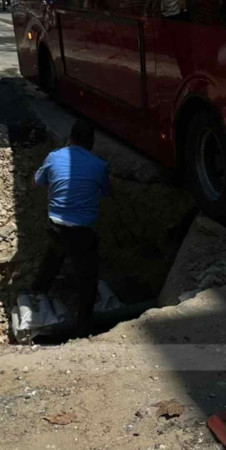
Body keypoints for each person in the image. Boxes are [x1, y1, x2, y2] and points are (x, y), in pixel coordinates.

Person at [31, 120, 110, 338]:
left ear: (70, 138)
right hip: (83, 232)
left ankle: (39, 287)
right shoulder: (99, 165)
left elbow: (36, 182)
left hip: (55, 226)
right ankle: (84, 326)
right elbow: (103, 192)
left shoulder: (54, 157)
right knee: (88, 276)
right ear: (91, 143)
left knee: (56, 249)